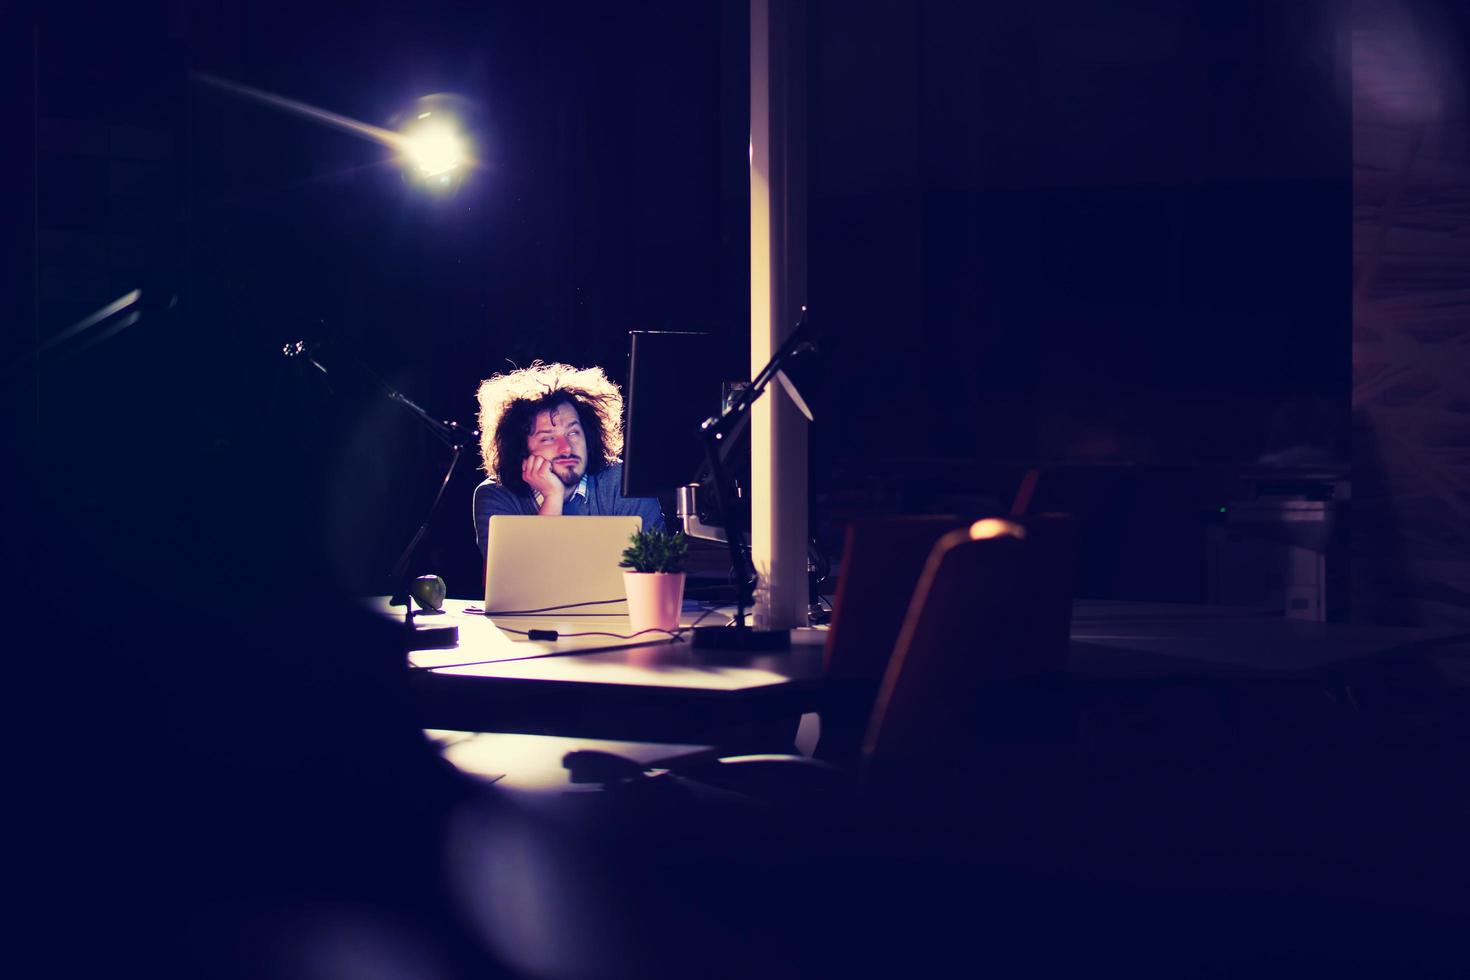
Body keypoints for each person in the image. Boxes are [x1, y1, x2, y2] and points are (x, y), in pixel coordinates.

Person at [472, 361, 665, 559]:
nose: (566, 448)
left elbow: (657, 568)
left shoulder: (624, 482)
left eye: (573, 432)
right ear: (521, 448)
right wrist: (553, 497)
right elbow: (519, 579)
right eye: (547, 438)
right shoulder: (495, 495)